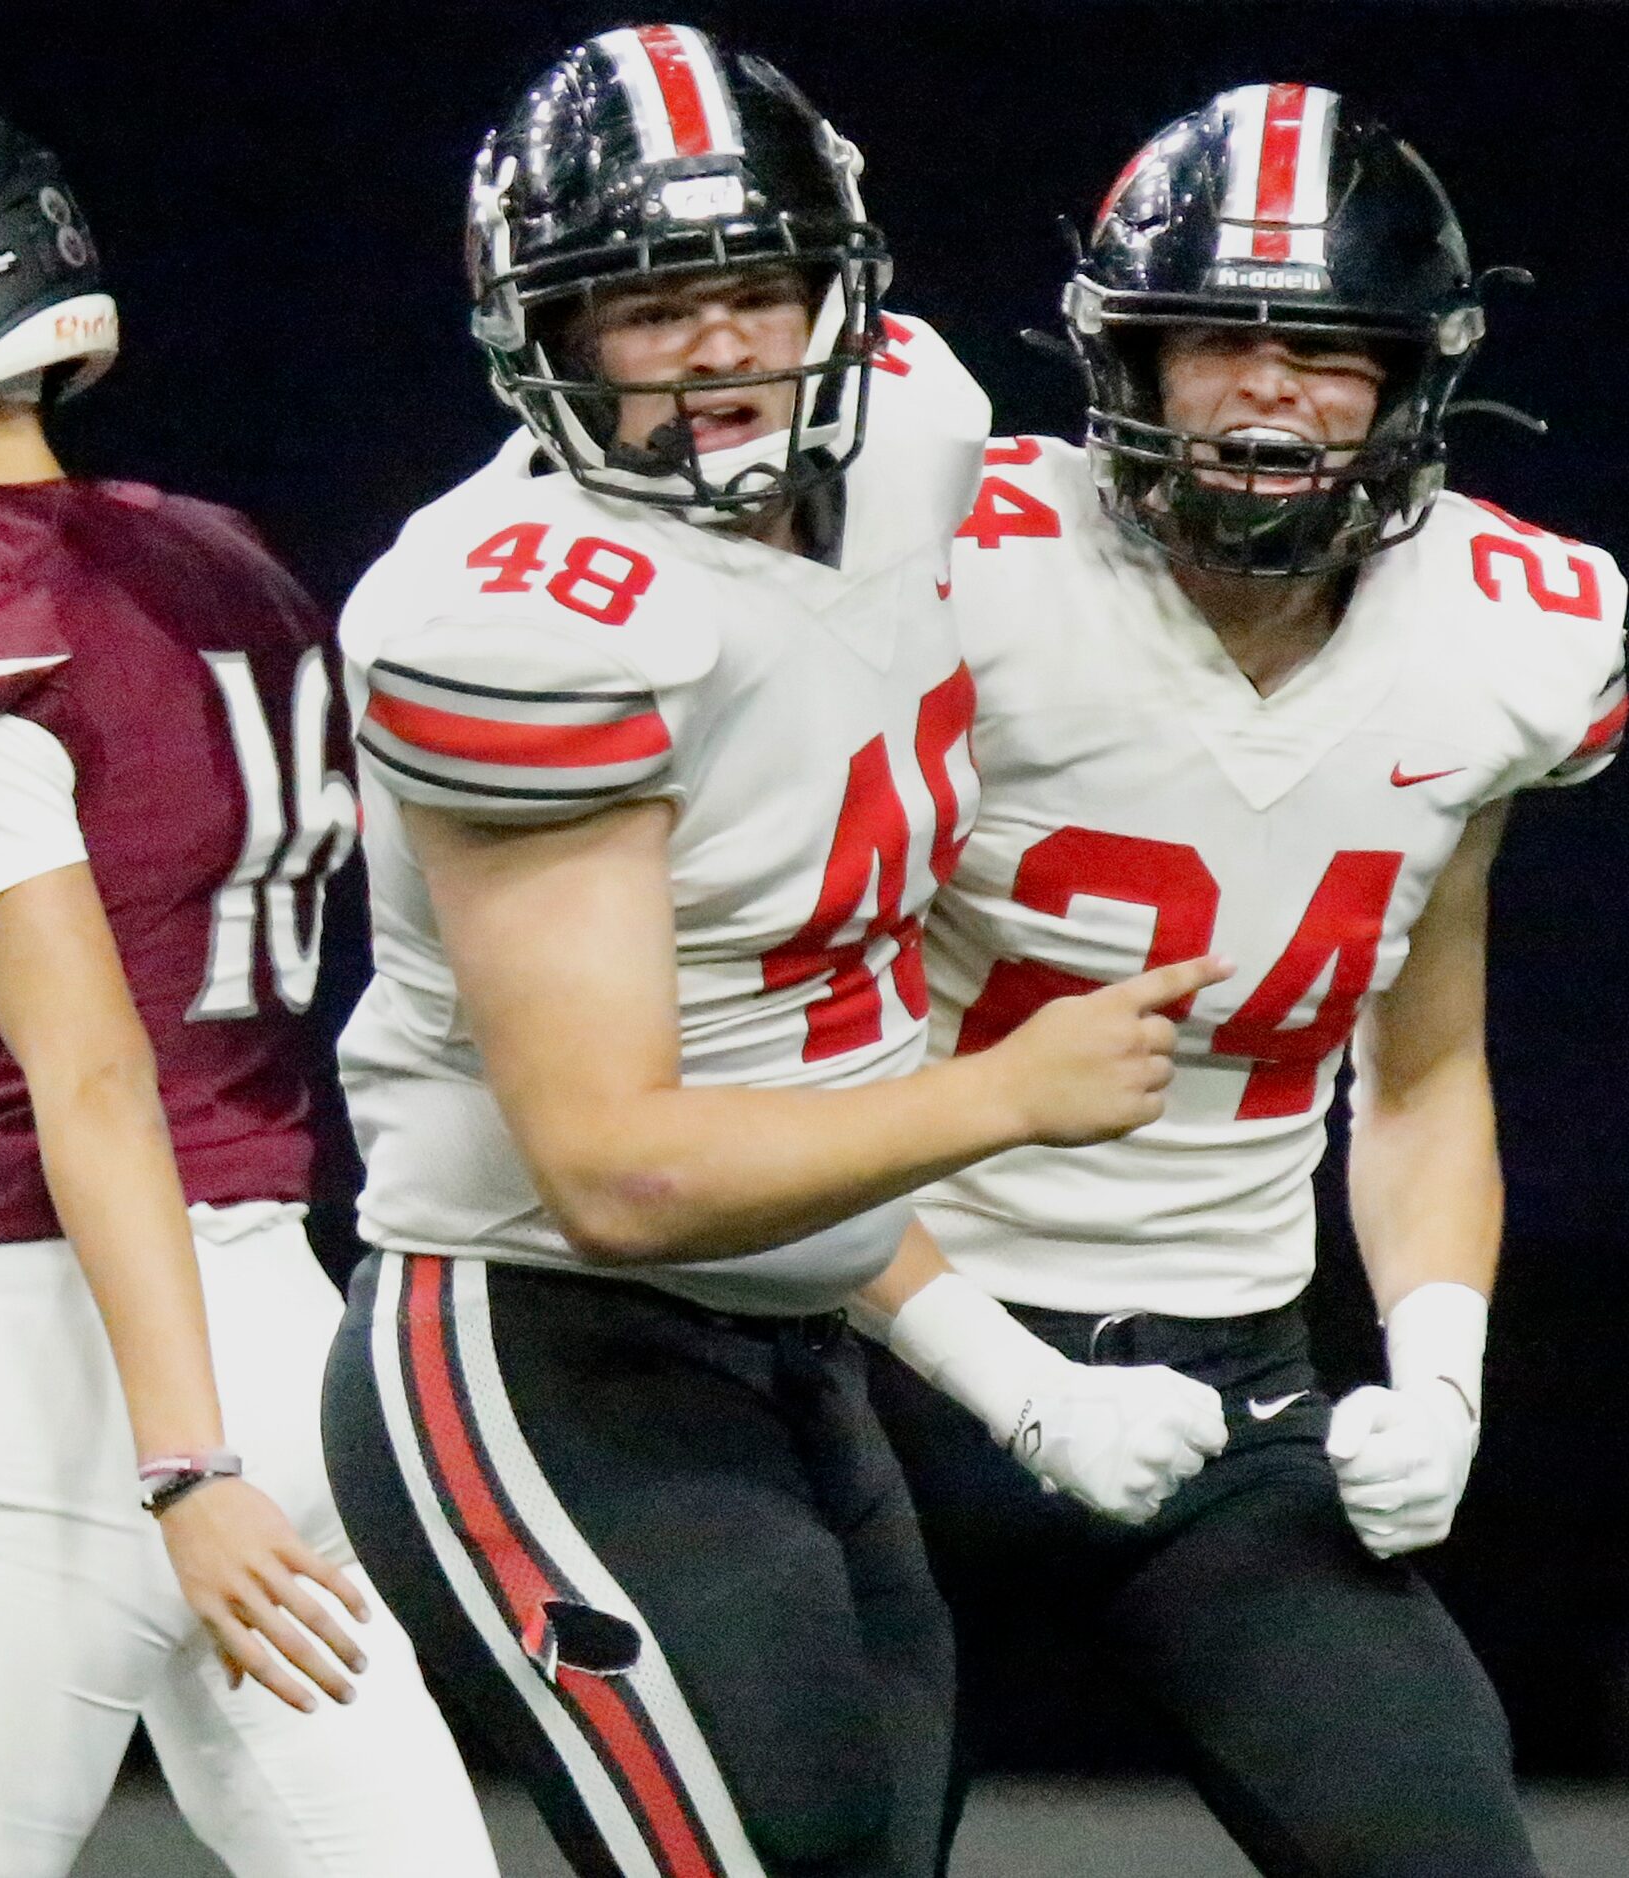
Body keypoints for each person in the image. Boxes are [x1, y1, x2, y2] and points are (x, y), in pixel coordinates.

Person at [318, 26, 1226, 1878]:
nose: (725, 347)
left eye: (757, 287)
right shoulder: (517, 620)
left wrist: (999, 1369)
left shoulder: (920, 424)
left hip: (802, 1334)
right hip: (540, 1341)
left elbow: (785, 1044)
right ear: (542, 335)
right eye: (652, 307)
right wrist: (1004, 1095)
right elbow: (623, 1168)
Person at [0, 101, 496, 1876]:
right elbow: (169, 989)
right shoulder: (212, 559)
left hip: (93, 1378)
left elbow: (107, 1074)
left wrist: (182, 1469)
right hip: (291, 1327)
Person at [859, 84, 1628, 1877]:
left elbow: (1425, 1066)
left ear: (1413, 376)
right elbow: (767, 1028)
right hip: (876, 1362)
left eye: (1327, 348)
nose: (1270, 390)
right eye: (1218, 338)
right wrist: (1005, 1377)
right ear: (1126, 357)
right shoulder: (947, 566)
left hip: (1227, 1387)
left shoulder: (1511, 632)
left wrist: (1439, 1374)